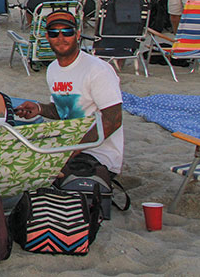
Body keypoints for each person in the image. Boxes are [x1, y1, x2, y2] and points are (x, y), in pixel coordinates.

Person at [15, 10, 124, 178]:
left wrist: (71, 151)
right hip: (67, 146)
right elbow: (63, 111)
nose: (61, 38)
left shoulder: (97, 69)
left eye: (67, 32)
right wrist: (39, 108)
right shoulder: (53, 69)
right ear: (47, 36)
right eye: (54, 33)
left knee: (46, 177)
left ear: (78, 34)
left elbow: (114, 119)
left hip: (98, 154)